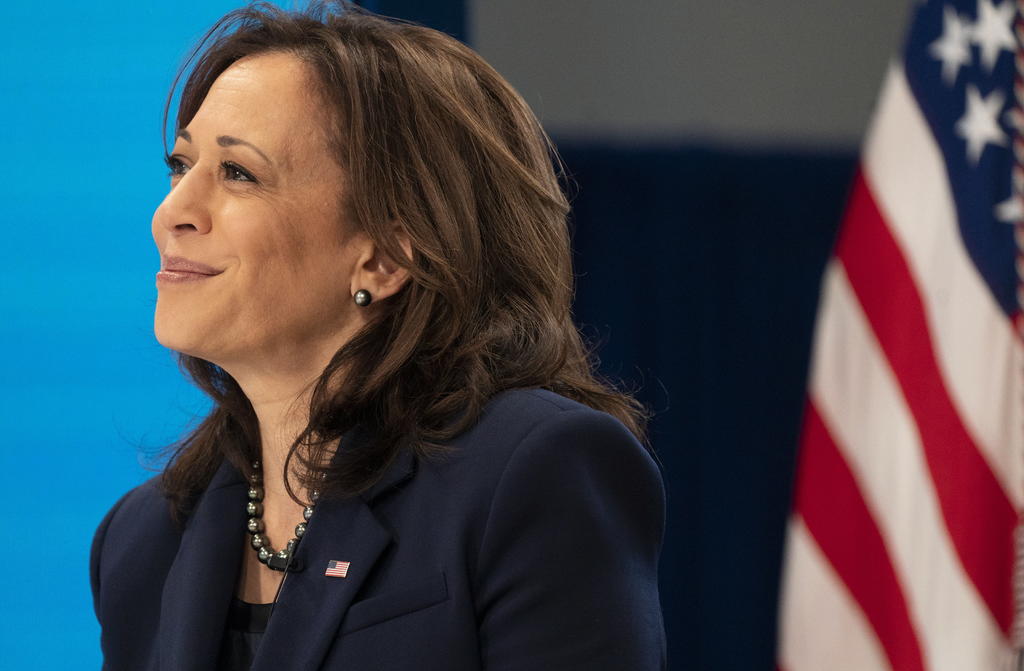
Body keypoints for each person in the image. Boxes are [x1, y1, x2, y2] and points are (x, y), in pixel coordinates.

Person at [89, 2, 667, 669]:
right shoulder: (141, 542)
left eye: (239, 173)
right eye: (181, 165)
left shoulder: (532, 473)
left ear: (386, 257)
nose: (172, 212)